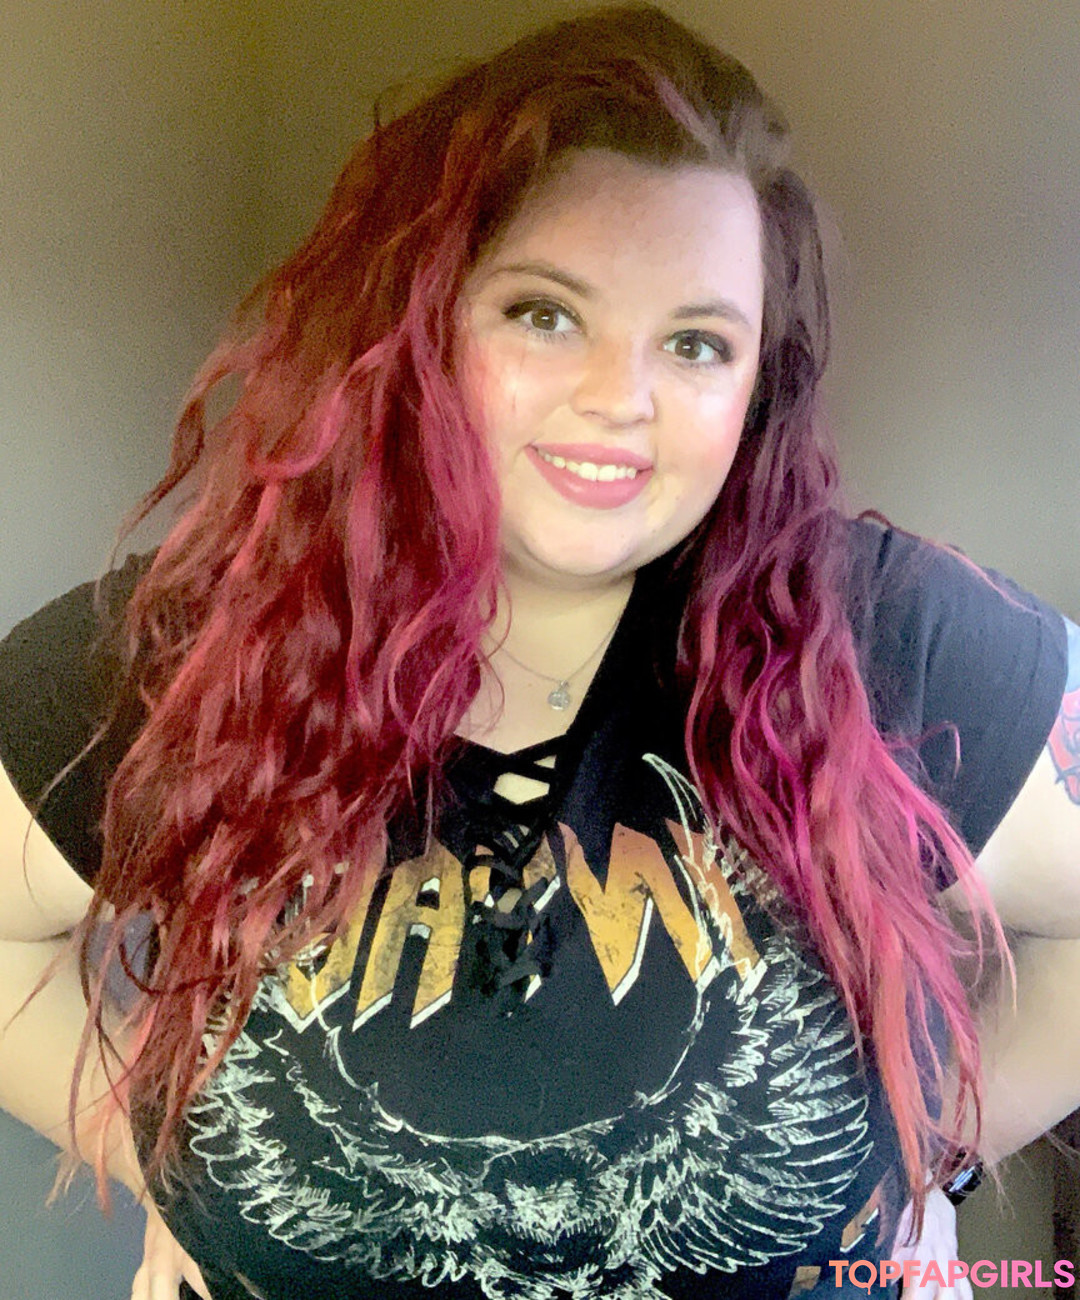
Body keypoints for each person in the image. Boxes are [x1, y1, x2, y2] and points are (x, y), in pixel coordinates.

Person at [0, 6, 1076, 1299]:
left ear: (755, 388)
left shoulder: (891, 640)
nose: (621, 396)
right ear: (419, 329)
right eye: (546, 314)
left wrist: (922, 1155)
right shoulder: (186, 650)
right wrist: (164, 1154)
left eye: (696, 343)